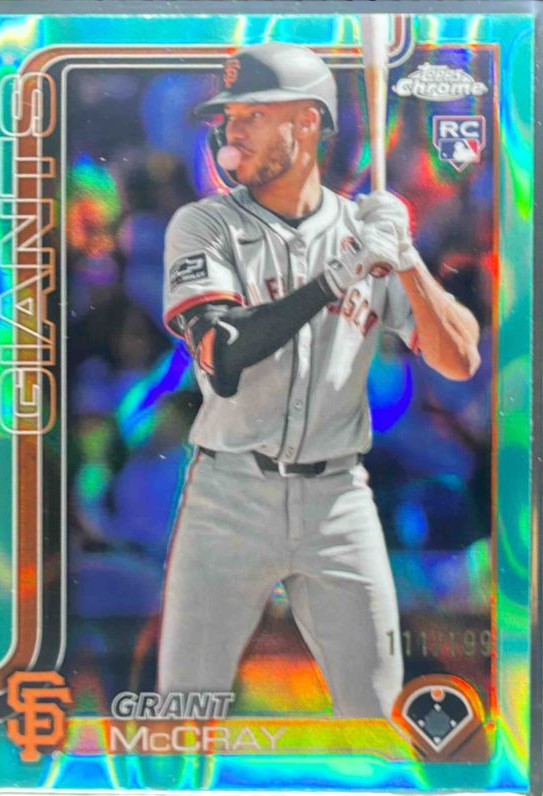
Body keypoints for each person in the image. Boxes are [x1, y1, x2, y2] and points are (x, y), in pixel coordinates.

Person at [158, 43, 480, 718]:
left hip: (338, 499)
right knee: (185, 711)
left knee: (377, 714)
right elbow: (222, 353)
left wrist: (405, 259)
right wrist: (339, 274)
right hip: (229, 495)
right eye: (229, 116)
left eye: (251, 114)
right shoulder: (205, 225)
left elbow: (459, 360)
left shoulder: (364, 229)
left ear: (306, 121)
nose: (231, 129)